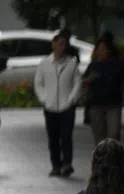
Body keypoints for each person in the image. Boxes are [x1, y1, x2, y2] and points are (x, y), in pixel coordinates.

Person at [34, 32, 82, 177]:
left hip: (66, 106)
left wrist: (72, 99)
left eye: (64, 44)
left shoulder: (71, 63)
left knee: (66, 136)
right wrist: (44, 99)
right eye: (59, 43)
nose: (61, 47)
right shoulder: (44, 64)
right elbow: (38, 83)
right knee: (53, 137)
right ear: (53, 44)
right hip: (50, 107)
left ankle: (67, 163)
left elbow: (77, 83)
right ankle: (56, 165)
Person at [83, 37, 124, 143]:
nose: (101, 51)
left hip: (113, 105)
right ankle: (101, 157)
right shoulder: (93, 65)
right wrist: (89, 79)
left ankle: (113, 156)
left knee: (114, 134)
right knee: (99, 136)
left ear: (109, 50)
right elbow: (83, 83)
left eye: (103, 48)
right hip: (96, 105)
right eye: (99, 49)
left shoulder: (118, 65)